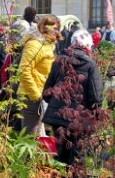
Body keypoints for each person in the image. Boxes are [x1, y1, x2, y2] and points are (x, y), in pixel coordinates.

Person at [42, 29, 103, 166]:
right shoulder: (90, 65)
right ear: (88, 46)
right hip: (80, 119)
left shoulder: (59, 61)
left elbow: (47, 91)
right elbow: (96, 97)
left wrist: (56, 105)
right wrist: (94, 115)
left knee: (58, 156)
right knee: (76, 157)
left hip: (57, 117)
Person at [17, 15, 62, 135]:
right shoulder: (35, 44)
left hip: (40, 93)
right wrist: (35, 95)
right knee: (30, 136)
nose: (57, 32)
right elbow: (24, 71)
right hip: (31, 95)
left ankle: (39, 153)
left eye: (58, 29)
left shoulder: (47, 44)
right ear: (45, 28)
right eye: (54, 28)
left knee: (39, 135)